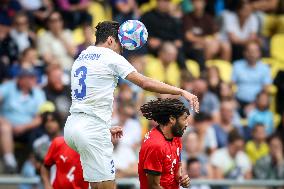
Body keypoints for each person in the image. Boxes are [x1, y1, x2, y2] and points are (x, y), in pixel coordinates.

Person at [64, 21, 199, 189]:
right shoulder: (110, 56)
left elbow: (89, 97)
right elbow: (144, 82)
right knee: (108, 186)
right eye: (121, 46)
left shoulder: (81, 57)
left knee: (97, 185)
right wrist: (180, 91)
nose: (122, 51)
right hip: (91, 129)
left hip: (73, 126)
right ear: (111, 40)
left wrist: (103, 127)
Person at [0, 68, 46, 173]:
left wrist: (24, 127)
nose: (33, 80)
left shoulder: (38, 93)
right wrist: (2, 120)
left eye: (33, 77)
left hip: (28, 128)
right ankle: (9, 161)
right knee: (4, 128)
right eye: (29, 77)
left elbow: (39, 118)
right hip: (6, 126)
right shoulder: (8, 87)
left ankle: (34, 164)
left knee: (38, 132)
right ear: (20, 79)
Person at [138, 98, 190, 189]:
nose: (187, 124)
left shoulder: (176, 136)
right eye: (184, 119)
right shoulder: (156, 145)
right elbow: (153, 186)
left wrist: (181, 178)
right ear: (172, 119)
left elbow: (176, 167)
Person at [232, 42, 272, 117]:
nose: (251, 54)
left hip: (257, 103)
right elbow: (231, 85)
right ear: (244, 53)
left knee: (251, 114)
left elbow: (266, 89)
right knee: (228, 110)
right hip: (237, 101)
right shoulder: (237, 65)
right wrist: (233, 99)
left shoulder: (265, 68)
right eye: (249, 51)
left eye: (254, 51)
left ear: (259, 53)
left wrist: (254, 104)